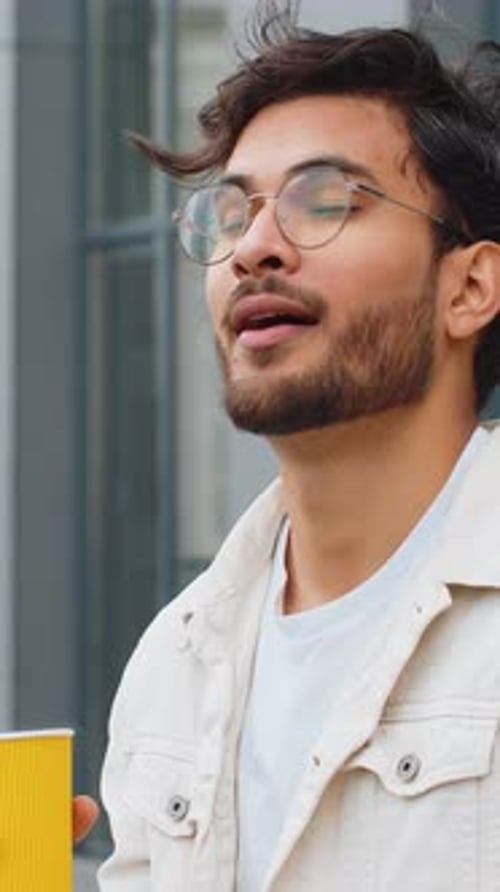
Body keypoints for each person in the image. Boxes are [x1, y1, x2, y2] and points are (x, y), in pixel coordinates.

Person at [98, 4, 500, 890]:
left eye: (325, 202)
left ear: (469, 287)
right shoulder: (174, 663)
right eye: (229, 215)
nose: (253, 250)